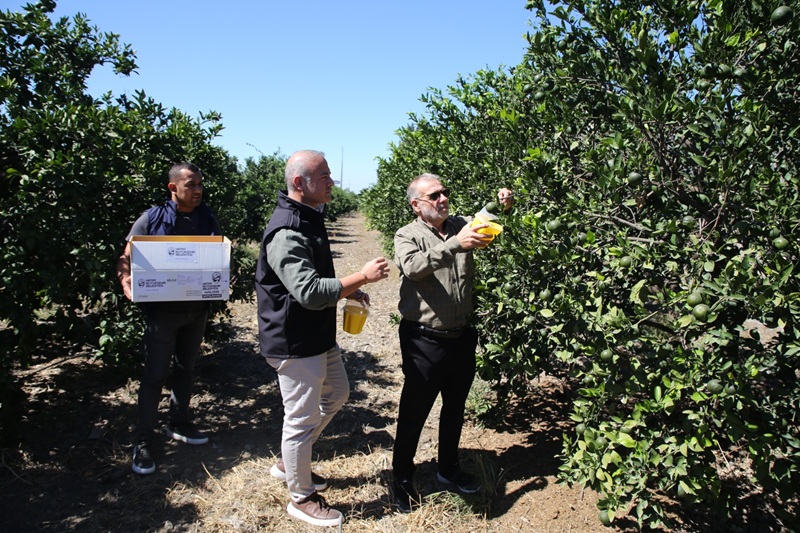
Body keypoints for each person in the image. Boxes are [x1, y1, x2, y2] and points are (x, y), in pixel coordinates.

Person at [255, 150, 390, 527]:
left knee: (338, 393)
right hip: (294, 340)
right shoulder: (286, 230)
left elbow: (316, 285)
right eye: (325, 176)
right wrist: (360, 277)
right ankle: (301, 497)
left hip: (314, 334)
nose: (333, 182)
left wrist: (347, 291)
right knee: (299, 420)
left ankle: (290, 462)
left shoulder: (308, 218)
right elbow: (310, 292)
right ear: (300, 183)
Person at [391, 173, 513, 512]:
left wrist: (502, 204)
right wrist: (455, 244)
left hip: (460, 336)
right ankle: (402, 477)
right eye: (434, 195)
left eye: (445, 192)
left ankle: (448, 469)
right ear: (416, 205)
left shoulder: (460, 224)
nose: (443, 198)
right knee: (414, 412)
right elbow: (413, 267)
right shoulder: (407, 234)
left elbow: (486, 219)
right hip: (424, 340)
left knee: (455, 408)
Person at [116, 162, 222, 475]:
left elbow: (217, 253)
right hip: (162, 313)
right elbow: (128, 255)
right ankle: (143, 441)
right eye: (191, 184)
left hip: (195, 312)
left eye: (200, 184)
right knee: (154, 375)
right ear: (173, 188)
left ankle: (180, 422)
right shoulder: (152, 218)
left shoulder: (207, 217)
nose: (198, 189)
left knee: (186, 367)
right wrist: (125, 280)